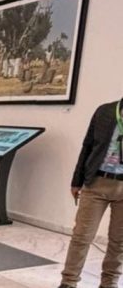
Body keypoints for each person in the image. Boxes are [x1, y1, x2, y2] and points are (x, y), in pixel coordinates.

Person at [59, 98, 123, 288]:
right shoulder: (105, 111)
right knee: (81, 236)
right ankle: (69, 281)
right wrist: (76, 181)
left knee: (119, 241)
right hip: (96, 183)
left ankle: (109, 282)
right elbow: (87, 146)